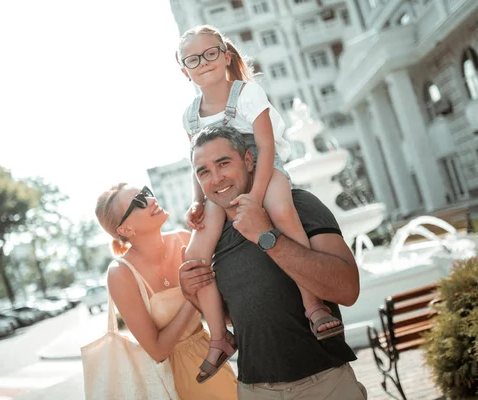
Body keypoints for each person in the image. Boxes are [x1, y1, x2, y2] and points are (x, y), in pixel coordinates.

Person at [176, 24, 343, 383]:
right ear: (183, 68)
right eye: (193, 59)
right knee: (194, 255)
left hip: (263, 169)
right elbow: (198, 162)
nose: (202, 62)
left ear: (225, 55)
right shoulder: (189, 114)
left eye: (210, 53)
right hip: (220, 184)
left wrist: (255, 195)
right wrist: (196, 200)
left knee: (282, 212)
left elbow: (266, 147)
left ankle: (313, 304)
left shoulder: (248, 93)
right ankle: (220, 338)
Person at [179, 125, 367, 399]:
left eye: (223, 163)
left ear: (248, 160)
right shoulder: (210, 236)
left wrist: (268, 237)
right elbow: (238, 317)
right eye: (204, 171)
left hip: (325, 384)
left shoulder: (298, 205)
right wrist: (191, 292)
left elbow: (348, 290)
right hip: (255, 390)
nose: (216, 178)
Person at [94, 183, 237, 400]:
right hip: (174, 380)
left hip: (212, 357)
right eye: (139, 202)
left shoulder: (185, 239)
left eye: (146, 193)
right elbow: (158, 351)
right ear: (125, 230)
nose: (151, 200)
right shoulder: (120, 273)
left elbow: (224, 314)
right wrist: (190, 299)